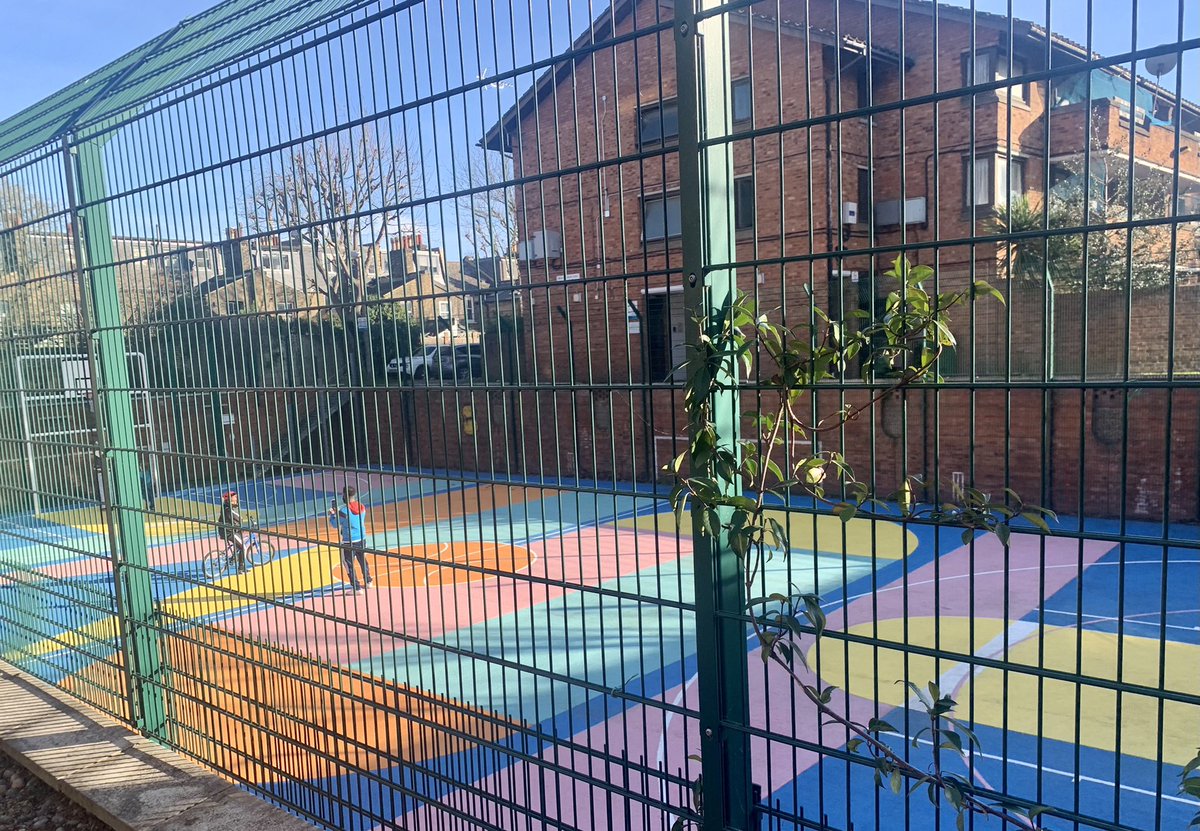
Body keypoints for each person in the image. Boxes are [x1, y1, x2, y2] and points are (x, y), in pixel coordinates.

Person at [330, 485, 371, 594]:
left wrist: (333, 515)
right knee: (363, 559)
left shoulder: (343, 511)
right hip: (362, 538)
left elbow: (335, 524)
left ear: (344, 495)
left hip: (349, 540)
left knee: (348, 563)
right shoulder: (362, 507)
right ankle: (368, 581)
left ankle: (356, 587)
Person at [219, 491, 248, 573]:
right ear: (230, 499)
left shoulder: (227, 506)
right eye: (235, 497)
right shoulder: (228, 509)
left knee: (238, 545)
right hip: (229, 532)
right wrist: (241, 520)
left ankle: (235, 559)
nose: (236, 498)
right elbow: (237, 517)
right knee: (243, 547)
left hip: (230, 530)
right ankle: (241, 568)